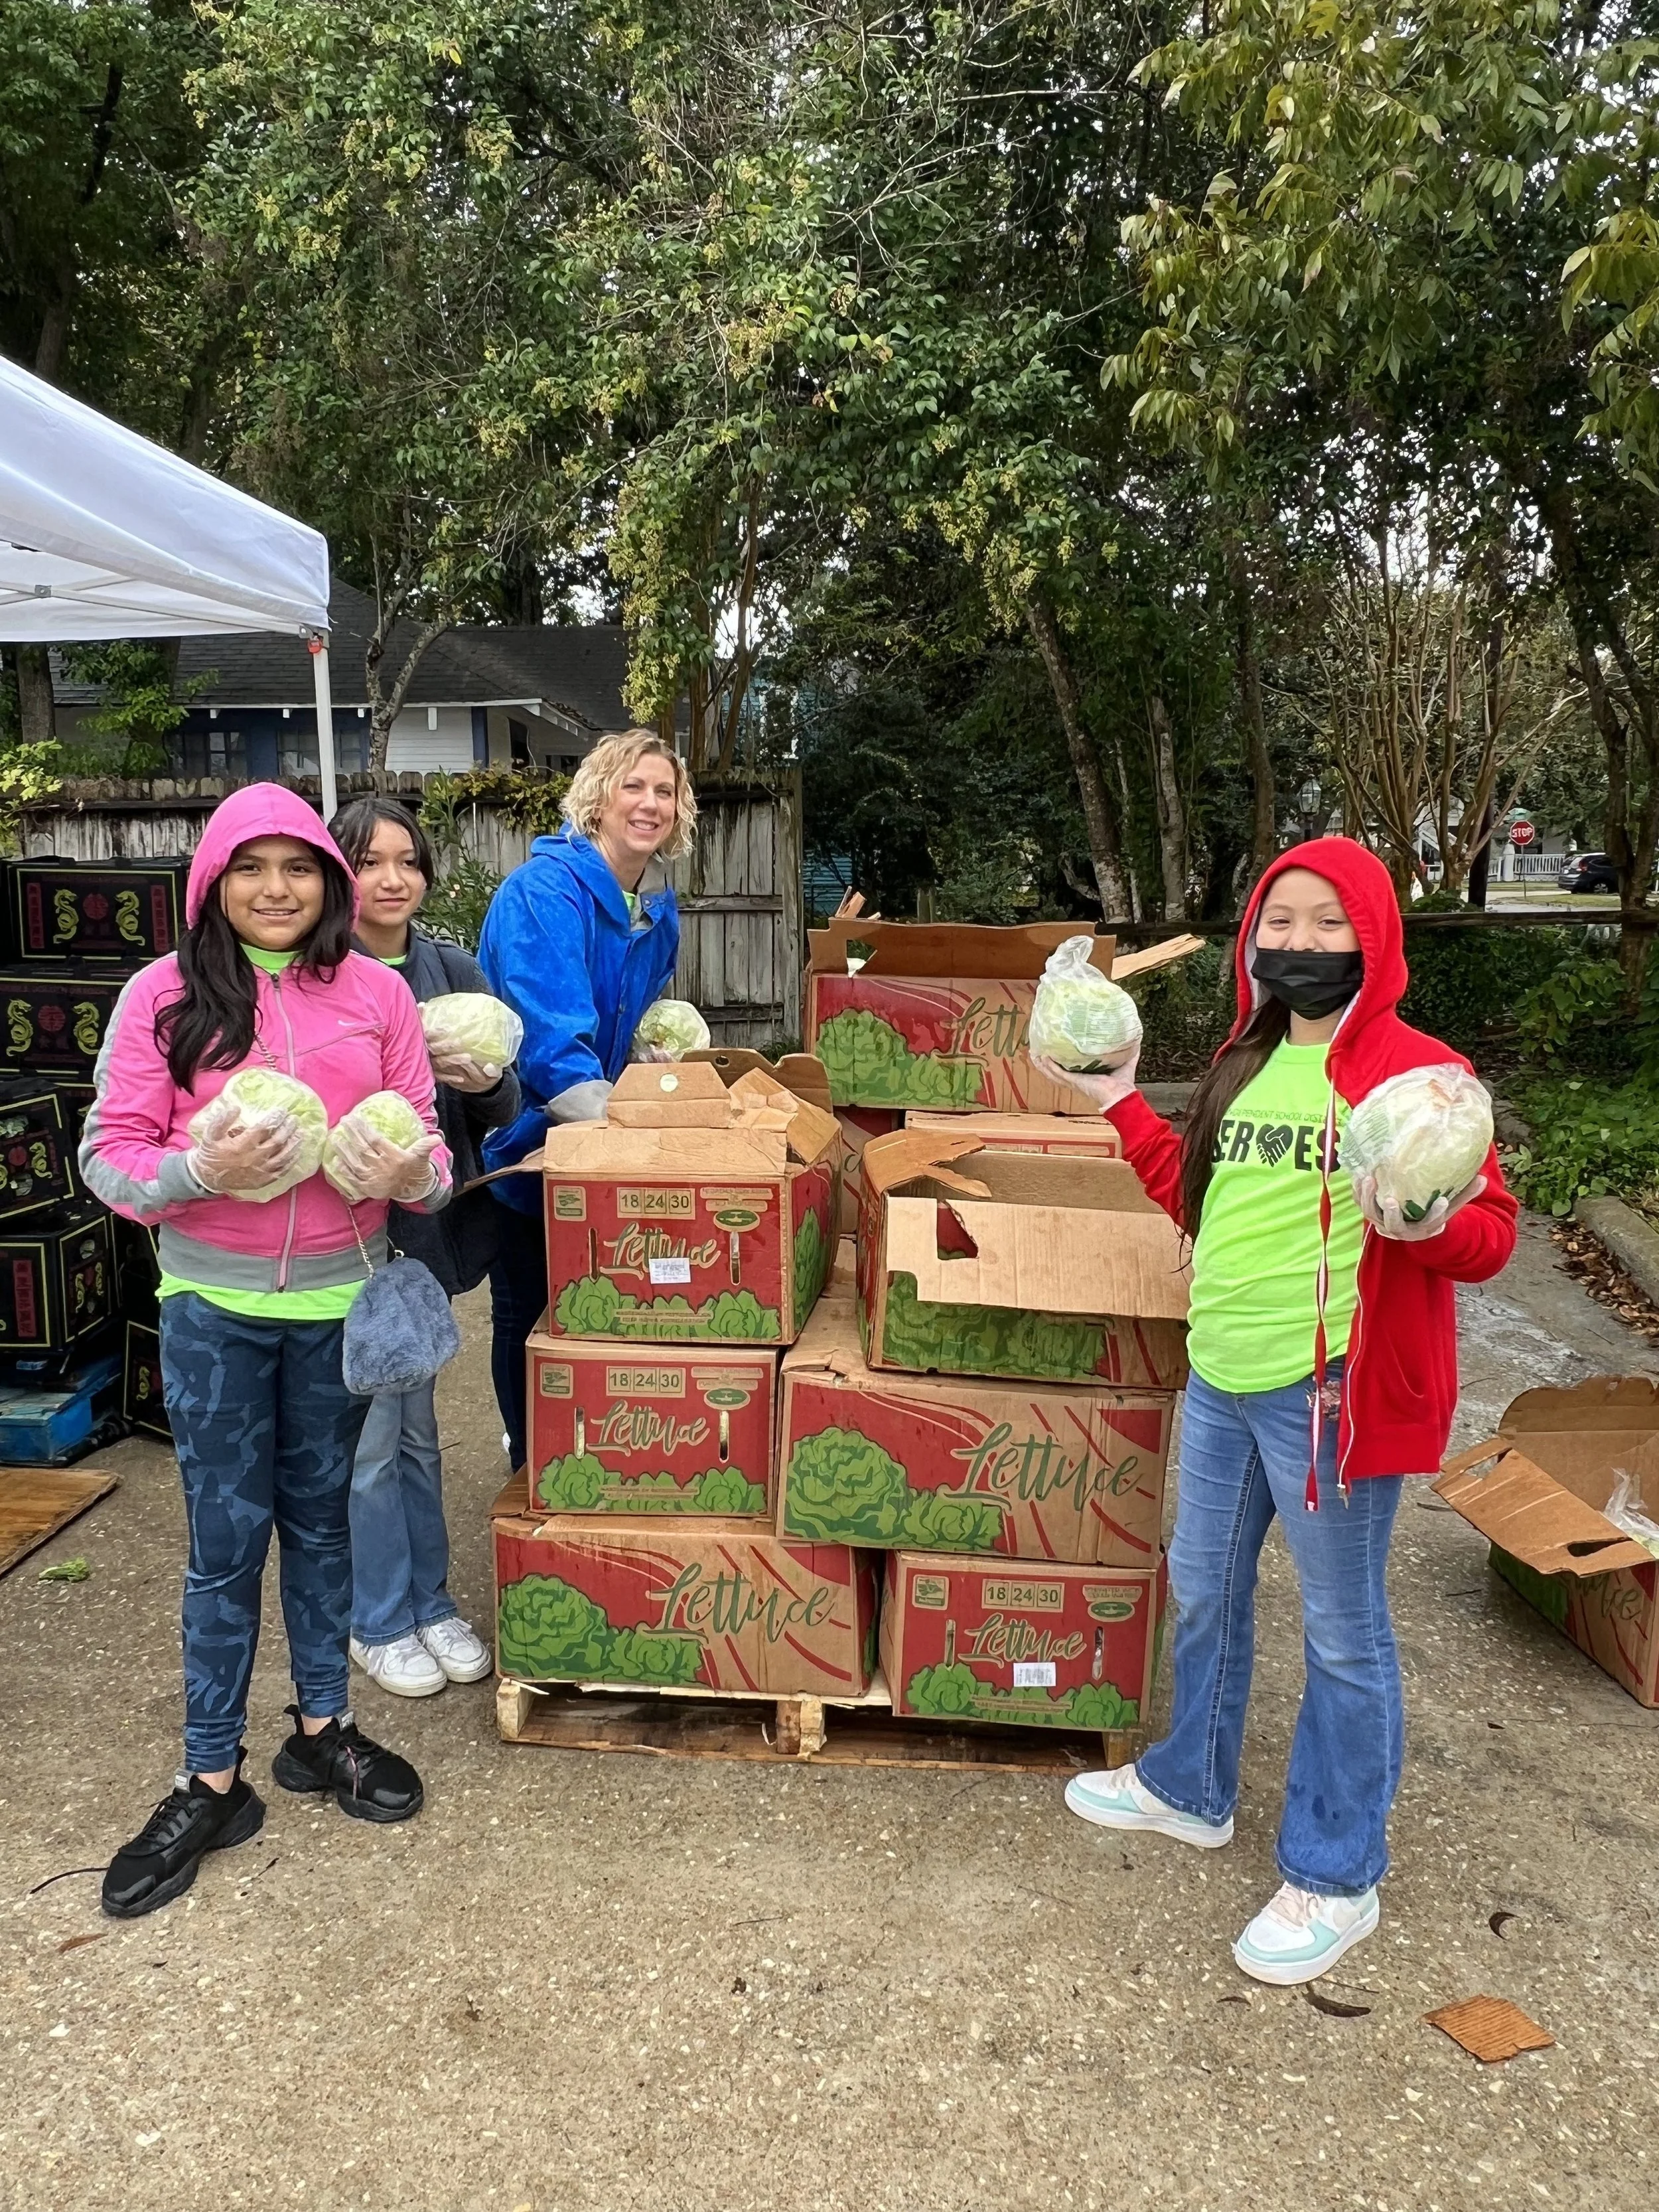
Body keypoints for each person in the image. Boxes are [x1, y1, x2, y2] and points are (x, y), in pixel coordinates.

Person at [1037, 839, 1517, 1987]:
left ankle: (1337, 1873)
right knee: (1204, 1586)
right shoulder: (1244, 1057)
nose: (1300, 941)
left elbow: (1490, 1236)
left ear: (1374, 937)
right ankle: (1190, 1784)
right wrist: (1118, 1100)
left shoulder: (1419, 1077)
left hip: (1329, 1394)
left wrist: (1426, 1225)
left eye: (1327, 921)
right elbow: (1196, 1198)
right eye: (1280, 920)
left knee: (1345, 1636)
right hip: (1221, 1374)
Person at [81, 783, 452, 1919]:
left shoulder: (378, 994)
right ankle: (210, 1777)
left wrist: (412, 1175)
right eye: (252, 866)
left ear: (329, 884)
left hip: (341, 1310)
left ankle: (322, 1728)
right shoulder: (165, 994)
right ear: (213, 881)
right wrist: (201, 1172)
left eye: (299, 867)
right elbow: (108, 1154)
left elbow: (431, 1152)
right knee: (224, 1544)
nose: (277, 888)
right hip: (214, 1312)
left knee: (325, 1523)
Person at [327, 796, 522, 1696]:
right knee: (371, 1436)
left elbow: (503, 1106)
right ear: (339, 874)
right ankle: (378, 1618)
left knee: (418, 1432)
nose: (392, 878)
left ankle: (430, 1601)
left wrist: (481, 1082)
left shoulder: (452, 968)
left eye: (407, 861)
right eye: (368, 862)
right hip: (352, 1239)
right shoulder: (323, 978)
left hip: (428, 1229)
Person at [478, 728, 695, 1468]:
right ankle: (529, 1468)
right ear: (598, 798)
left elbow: (625, 1025)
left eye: (664, 790)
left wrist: (648, 1061)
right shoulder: (543, 894)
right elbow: (551, 1048)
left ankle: (589, 1457)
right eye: (633, 786)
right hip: (525, 1140)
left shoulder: (655, 907)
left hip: (594, 1141)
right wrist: (644, 1138)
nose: (650, 803)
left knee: (596, 1308)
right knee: (529, 1310)